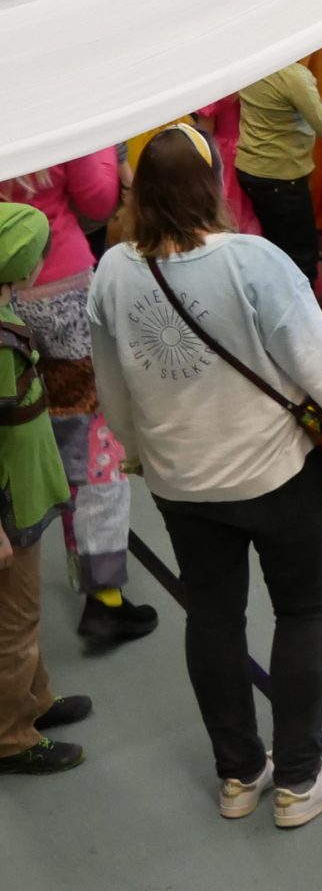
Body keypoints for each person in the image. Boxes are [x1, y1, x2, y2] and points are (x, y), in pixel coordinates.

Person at [86, 122, 322, 825]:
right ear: (212, 183)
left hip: (181, 486)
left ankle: (238, 776)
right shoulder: (253, 261)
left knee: (213, 618)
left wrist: (142, 452)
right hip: (279, 476)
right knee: (305, 609)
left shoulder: (112, 270)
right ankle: (296, 781)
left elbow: (114, 390)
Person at [3, 154, 154, 650]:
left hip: (6, 291)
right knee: (92, 444)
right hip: (60, 287)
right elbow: (97, 198)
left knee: (18, 428)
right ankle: (104, 599)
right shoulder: (60, 108)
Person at [0, 203, 83, 775]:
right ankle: (11, 737)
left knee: (21, 614)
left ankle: (35, 700)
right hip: (10, 505)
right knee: (16, 620)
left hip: (24, 485)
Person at [233, 55, 322, 287]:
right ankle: (306, 317)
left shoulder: (249, 65)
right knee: (301, 255)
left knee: (274, 246)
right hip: (282, 176)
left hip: (250, 168)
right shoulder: (294, 77)